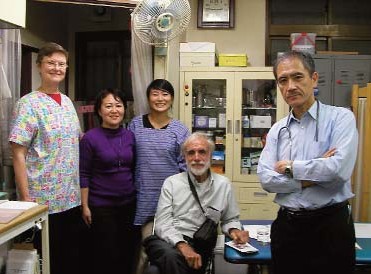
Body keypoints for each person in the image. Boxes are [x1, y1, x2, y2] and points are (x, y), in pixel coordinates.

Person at [257, 51, 358, 274]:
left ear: (314, 78)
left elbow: (339, 171)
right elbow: (266, 179)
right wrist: (311, 177)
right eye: (283, 80)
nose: (290, 86)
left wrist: (292, 168)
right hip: (287, 228)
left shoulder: (341, 118)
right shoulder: (278, 130)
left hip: (330, 226)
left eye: (297, 77)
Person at [9, 42, 83, 274]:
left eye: (61, 64)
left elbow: (75, 142)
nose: (56, 68)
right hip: (42, 200)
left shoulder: (68, 102)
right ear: (39, 65)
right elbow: (18, 153)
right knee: (45, 261)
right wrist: (26, 197)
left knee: (68, 256)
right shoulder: (28, 104)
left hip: (70, 197)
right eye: (51, 62)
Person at [144, 132, 249, 274]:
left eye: (202, 152)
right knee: (170, 256)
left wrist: (234, 230)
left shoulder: (223, 184)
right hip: (169, 242)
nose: (197, 158)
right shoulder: (172, 183)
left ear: (211, 155)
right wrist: (182, 245)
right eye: (191, 153)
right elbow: (163, 223)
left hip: (200, 246)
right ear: (185, 157)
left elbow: (230, 219)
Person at [128, 79, 190, 274]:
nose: (160, 98)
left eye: (165, 94)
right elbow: (128, 159)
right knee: (141, 250)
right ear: (148, 98)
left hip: (170, 199)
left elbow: (185, 167)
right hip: (141, 197)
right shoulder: (136, 124)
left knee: (167, 248)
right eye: (155, 94)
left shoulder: (180, 129)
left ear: (171, 99)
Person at [79, 88, 138, 274]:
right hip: (101, 206)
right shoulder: (90, 138)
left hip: (128, 204)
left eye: (118, 105)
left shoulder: (129, 136)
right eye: (109, 106)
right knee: (106, 254)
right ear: (99, 110)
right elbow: (83, 173)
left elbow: (133, 167)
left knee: (127, 252)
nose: (114, 110)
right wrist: (85, 205)